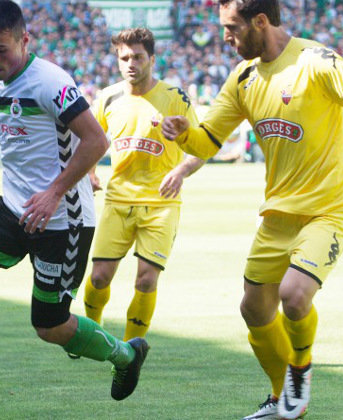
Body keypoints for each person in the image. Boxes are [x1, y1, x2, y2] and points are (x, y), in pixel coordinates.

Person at [161, 1, 343, 419]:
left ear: (260, 21)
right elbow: (208, 141)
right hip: (277, 216)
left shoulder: (316, 62)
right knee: (253, 309)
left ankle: (299, 371)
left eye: (231, 28)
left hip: (329, 210)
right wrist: (185, 135)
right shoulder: (242, 78)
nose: (225, 38)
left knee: (294, 297)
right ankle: (284, 400)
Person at [0, 0, 149, 415]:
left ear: (24, 40)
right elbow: (2, 114)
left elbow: (96, 141)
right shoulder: (3, 78)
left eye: (0, 50)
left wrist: (55, 191)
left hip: (63, 221)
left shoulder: (51, 81)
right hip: (12, 210)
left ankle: (126, 356)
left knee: (50, 326)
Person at [83, 28, 204, 342]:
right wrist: (91, 173)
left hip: (162, 205)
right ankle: (91, 333)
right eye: (124, 58)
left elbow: (203, 148)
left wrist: (180, 172)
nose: (130, 63)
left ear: (152, 58)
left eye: (137, 56)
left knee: (146, 281)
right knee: (98, 277)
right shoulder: (108, 97)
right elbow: (92, 140)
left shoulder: (175, 99)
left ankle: (128, 351)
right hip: (118, 201)